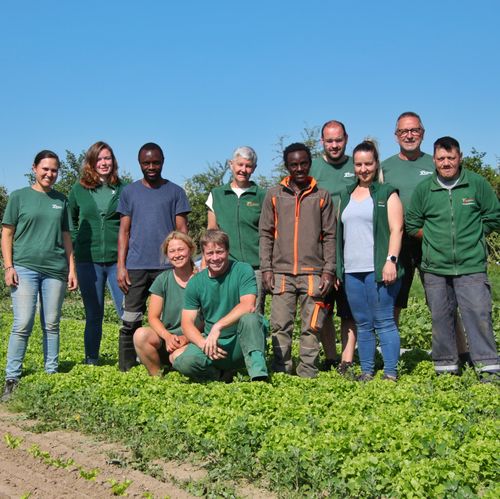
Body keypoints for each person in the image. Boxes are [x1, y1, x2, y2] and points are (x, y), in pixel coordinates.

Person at [406, 136, 500, 380]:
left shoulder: (476, 184)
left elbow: (493, 216)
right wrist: (434, 239)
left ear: (460, 158)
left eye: (451, 158)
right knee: (440, 317)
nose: (446, 163)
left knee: (478, 315)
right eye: (441, 158)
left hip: (471, 265)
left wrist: (475, 235)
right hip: (435, 268)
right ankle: (446, 368)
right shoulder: (425, 189)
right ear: (434, 160)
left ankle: (488, 367)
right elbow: (412, 223)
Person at [382, 112, 470, 363]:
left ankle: (462, 353)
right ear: (396, 135)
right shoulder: (385, 167)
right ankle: (390, 358)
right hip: (397, 241)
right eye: (403, 131)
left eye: (414, 130)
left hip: (429, 241)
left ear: (422, 132)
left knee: (443, 301)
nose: (409, 135)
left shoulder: (437, 162)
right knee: (393, 300)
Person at [1, 150, 78, 401]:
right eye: (45, 168)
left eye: (54, 170)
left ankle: (51, 374)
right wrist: (9, 266)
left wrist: (72, 268)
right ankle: (12, 378)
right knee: (23, 323)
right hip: (24, 267)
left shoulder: (61, 200)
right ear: (34, 168)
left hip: (55, 270)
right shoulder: (19, 197)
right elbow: (7, 234)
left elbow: (66, 237)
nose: (49, 174)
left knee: (52, 323)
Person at [259, 143, 336, 378]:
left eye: (303, 163)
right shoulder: (274, 195)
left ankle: (307, 373)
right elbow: (265, 233)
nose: (299, 168)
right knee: (280, 326)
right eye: (294, 164)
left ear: (309, 164)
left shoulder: (322, 196)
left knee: (312, 327)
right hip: (281, 273)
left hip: (314, 273)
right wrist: (267, 269)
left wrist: (329, 271)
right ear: (287, 166)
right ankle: (282, 369)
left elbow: (330, 236)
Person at [116, 142, 191, 371]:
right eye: (146, 163)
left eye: (155, 162)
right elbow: (124, 232)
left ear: (162, 162)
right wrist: (121, 265)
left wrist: (185, 265)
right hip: (136, 265)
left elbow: (182, 231)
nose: (151, 166)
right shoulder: (129, 192)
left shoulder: (176, 192)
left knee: (171, 318)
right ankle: (127, 367)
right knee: (130, 319)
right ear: (139, 163)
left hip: (167, 266)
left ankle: (168, 361)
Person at [337, 140, 404, 381]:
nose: (363, 169)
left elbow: (397, 230)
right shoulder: (346, 195)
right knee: (362, 323)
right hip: (352, 270)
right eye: (358, 164)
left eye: (368, 164)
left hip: (378, 269)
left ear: (376, 164)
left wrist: (391, 260)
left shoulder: (387, 193)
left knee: (384, 321)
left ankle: (390, 372)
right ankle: (366, 370)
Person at [173, 230, 268, 382]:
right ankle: (219, 375)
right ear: (203, 255)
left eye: (219, 252)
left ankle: (259, 377)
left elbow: (248, 305)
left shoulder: (243, 270)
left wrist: (218, 326)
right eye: (210, 253)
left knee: (251, 319)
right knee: (184, 362)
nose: (215, 258)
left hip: (241, 340)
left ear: (228, 251)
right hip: (213, 344)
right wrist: (203, 344)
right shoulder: (196, 283)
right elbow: (186, 323)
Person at [68, 141, 125, 365]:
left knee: (126, 313)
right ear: (91, 162)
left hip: (117, 261)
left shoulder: (124, 188)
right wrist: (76, 241)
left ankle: (128, 359)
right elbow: (70, 220)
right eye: (99, 159)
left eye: (108, 158)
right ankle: (91, 359)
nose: (104, 163)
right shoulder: (78, 189)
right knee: (94, 314)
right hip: (87, 261)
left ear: (113, 161)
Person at [310, 120, 357, 373]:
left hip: (353, 249)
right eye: (330, 141)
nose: (335, 145)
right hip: (320, 251)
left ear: (346, 139)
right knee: (323, 306)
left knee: (349, 309)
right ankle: (330, 356)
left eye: (338, 139)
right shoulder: (313, 168)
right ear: (322, 142)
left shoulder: (357, 164)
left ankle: (346, 359)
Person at [206, 146, 266, 314]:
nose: (243, 170)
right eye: (240, 165)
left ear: (253, 168)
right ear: (231, 164)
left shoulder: (263, 195)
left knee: (253, 315)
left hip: (255, 268)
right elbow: (211, 230)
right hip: (225, 266)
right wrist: (207, 259)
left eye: (248, 166)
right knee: (225, 313)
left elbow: (269, 232)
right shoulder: (216, 194)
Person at [133, 232, 197, 376]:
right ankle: (157, 377)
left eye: (181, 249)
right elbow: (153, 317)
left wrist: (186, 338)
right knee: (140, 335)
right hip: (167, 338)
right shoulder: (163, 280)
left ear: (191, 250)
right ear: (167, 256)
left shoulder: (202, 280)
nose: (177, 255)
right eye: (172, 251)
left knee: (179, 357)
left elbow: (207, 318)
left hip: (195, 338)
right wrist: (168, 337)